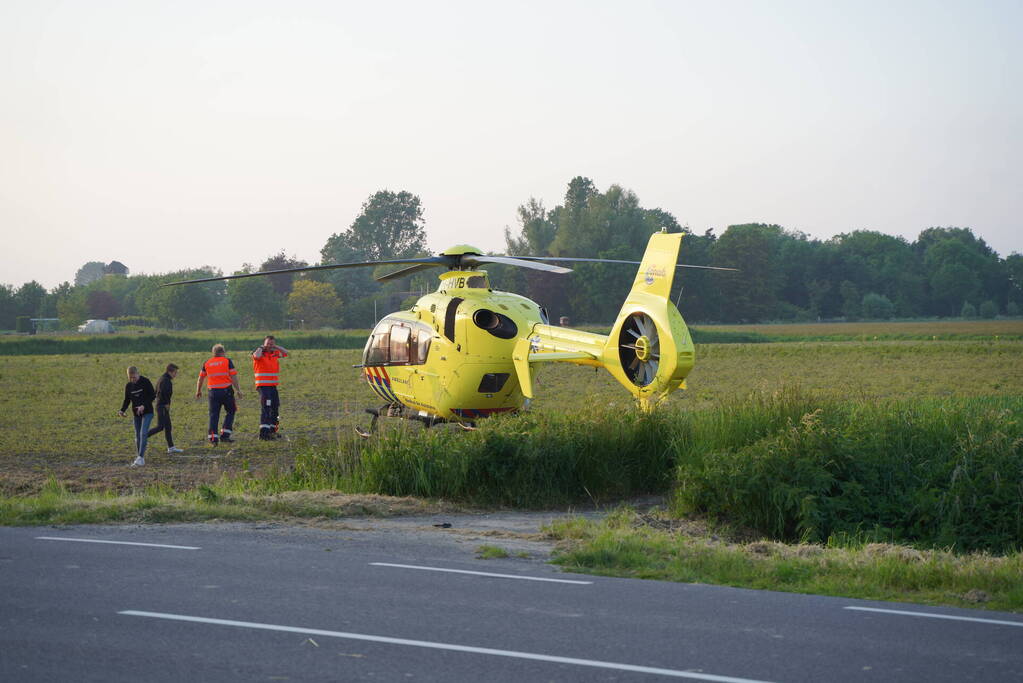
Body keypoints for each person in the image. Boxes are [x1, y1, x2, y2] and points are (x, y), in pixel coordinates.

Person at [195, 343, 242, 446]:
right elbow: (233, 377)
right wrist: (238, 389)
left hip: (212, 392)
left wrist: (198, 390)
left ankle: (213, 438)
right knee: (231, 411)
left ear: (213, 353)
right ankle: (225, 435)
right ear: (223, 352)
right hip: (226, 391)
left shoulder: (207, 363)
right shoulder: (227, 361)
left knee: (214, 415)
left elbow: (201, 378)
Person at [252, 335, 289, 440]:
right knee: (266, 408)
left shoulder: (274, 353)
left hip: (273, 386)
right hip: (263, 387)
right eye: (267, 343)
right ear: (264, 344)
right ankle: (264, 434)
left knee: (275, 408)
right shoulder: (259, 352)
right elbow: (256, 356)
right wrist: (261, 347)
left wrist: (276, 347)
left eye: (271, 343)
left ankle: (273, 431)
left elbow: (286, 353)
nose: (269, 346)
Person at [118, 366, 156, 467]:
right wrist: (122, 410)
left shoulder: (145, 381)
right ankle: (141, 457)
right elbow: (127, 400)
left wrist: (143, 405)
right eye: (130, 378)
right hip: (136, 414)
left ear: (137, 374)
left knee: (143, 433)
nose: (132, 379)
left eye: (134, 377)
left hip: (148, 412)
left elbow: (153, 395)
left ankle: (140, 457)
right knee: (138, 436)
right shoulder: (129, 386)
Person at [147, 363, 182, 454]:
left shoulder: (162, 379)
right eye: (175, 372)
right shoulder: (165, 380)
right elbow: (162, 393)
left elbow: (156, 392)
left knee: (168, 427)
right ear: (170, 371)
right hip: (162, 406)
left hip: (161, 406)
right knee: (160, 427)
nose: (176, 374)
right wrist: (166, 404)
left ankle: (171, 447)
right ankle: (142, 437)